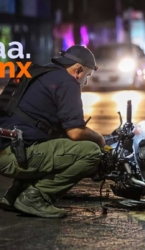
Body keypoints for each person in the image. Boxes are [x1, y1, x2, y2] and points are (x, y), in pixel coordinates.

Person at [0, 45, 106, 218]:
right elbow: (75, 133)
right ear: (78, 69)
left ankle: (13, 196)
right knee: (90, 152)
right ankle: (35, 197)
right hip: (14, 156)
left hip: (4, 146)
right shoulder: (67, 82)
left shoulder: (38, 72)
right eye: (86, 75)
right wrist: (99, 139)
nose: (84, 82)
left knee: (49, 142)